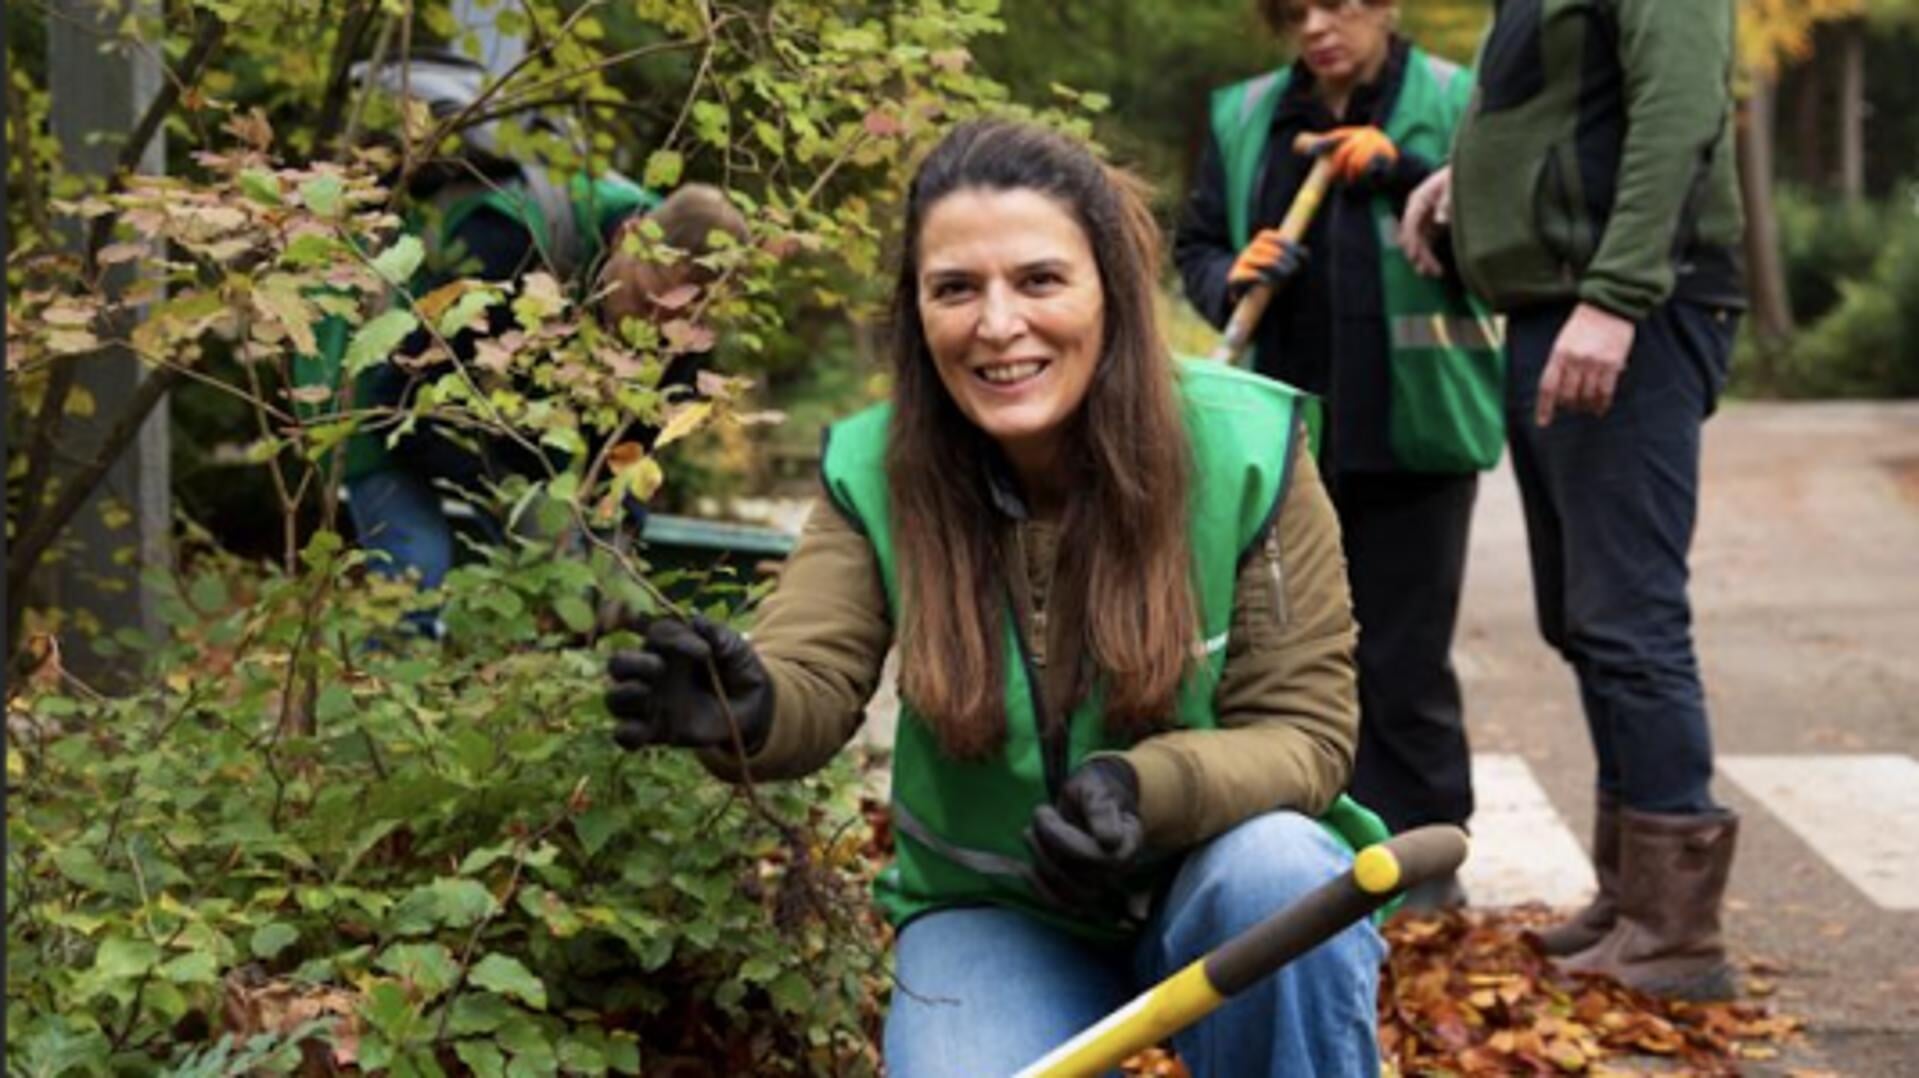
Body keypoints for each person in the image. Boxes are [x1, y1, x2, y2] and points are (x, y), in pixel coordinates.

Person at [605, 119, 1388, 1075]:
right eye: (955, 289)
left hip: (1209, 879)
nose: (997, 324)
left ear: (1109, 290)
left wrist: (1144, 789)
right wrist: (752, 709)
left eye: (1039, 280)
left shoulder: (1248, 449)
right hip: (1000, 916)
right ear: (916, 311)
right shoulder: (876, 467)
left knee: (1285, 875)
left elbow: (1305, 734)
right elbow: (813, 666)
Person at [1398, 0, 1744, 1000]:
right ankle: (1628, 899)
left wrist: (1618, 294)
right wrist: (1476, 186)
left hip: (1624, 306)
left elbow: (1675, 115)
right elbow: (1573, 117)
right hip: (1559, 300)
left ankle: (1677, 935)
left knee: (1627, 614)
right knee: (1584, 616)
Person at [1174, 0, 1501, 909]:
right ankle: (1300, 864)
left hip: (1416, 428)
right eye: (1295, 12)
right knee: (1284, 659)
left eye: (1339, 5)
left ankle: (1424, 868)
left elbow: (1499, 241)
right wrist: (1231, 275)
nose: (1317, 27)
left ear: (1385, 8)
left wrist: (1405, 173)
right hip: (1281, 440)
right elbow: (1195, 247)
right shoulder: (1243, 116)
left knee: (1405, 658)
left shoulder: (1451, 99)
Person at [297, 54, 747, 634]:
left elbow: (631, 447)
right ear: (633, 235)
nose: (651, 328)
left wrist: (615, 537)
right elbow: (406, 404)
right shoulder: (509, 239)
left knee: (560, 588)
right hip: (380, 390)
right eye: (644, 300)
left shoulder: (681, 311)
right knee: (418, 575)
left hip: (500, 425)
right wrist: (528, 500)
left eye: (678, 320)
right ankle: (385, 709)